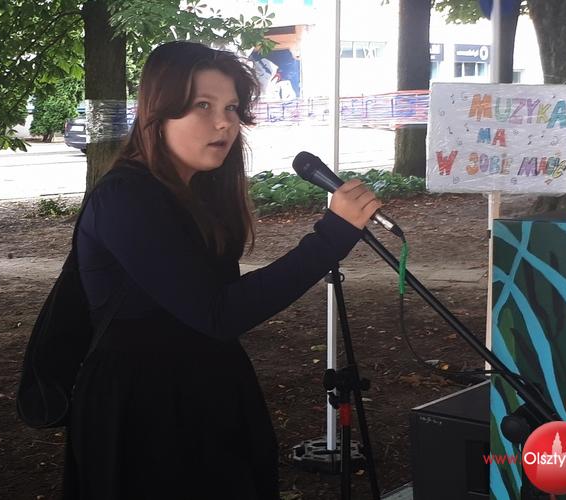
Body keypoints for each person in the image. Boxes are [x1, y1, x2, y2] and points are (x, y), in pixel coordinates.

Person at [63, 41, 382, 499]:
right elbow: (218, 312)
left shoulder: (198, 193)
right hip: (144, 411)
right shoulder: (125, 198)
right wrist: (329, 239)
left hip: (208, 390)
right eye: (203, 105)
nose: (224, 122)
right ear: (157, 113)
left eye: (231, 107)